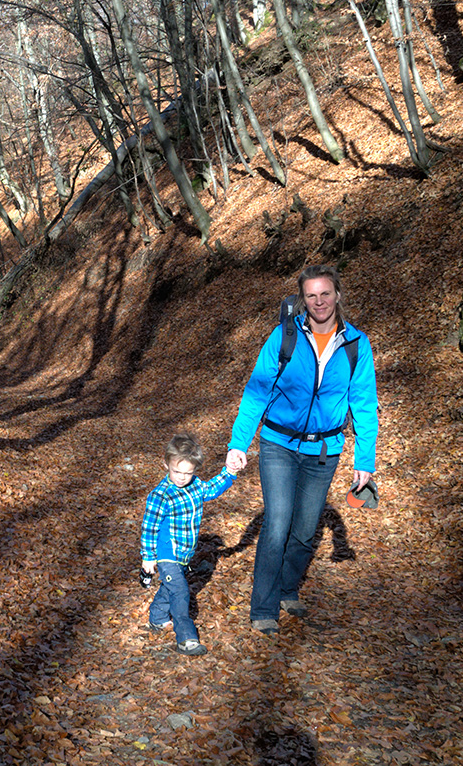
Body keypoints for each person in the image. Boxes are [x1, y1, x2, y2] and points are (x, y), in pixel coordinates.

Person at [225, 265, 379, 635]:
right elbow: (256, 392)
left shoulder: (356, 344)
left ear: (338, 295)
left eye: (325, 293)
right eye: (311, 295)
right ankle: (263, 608)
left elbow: (363, 402)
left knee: (306, 529)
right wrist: (238, 443)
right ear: (302, 300)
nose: (319, 301)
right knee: (277, 523)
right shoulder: (284, 338)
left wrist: (365, 460)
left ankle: (287, 588)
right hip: (278, 444)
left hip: (324, 451)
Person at [140, 433, 238, 656]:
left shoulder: (195, 486)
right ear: (166, 464)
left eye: (188, 472)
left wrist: (230, 472)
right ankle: (186, 638)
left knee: (170, 588)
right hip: (167, 552)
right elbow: (149, 526)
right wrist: (148, 556)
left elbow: (213, 488)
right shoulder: (160, 495)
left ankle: (157, 618)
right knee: (181, 592)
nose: (182, 477)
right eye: (177, 472)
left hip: (185, 553)